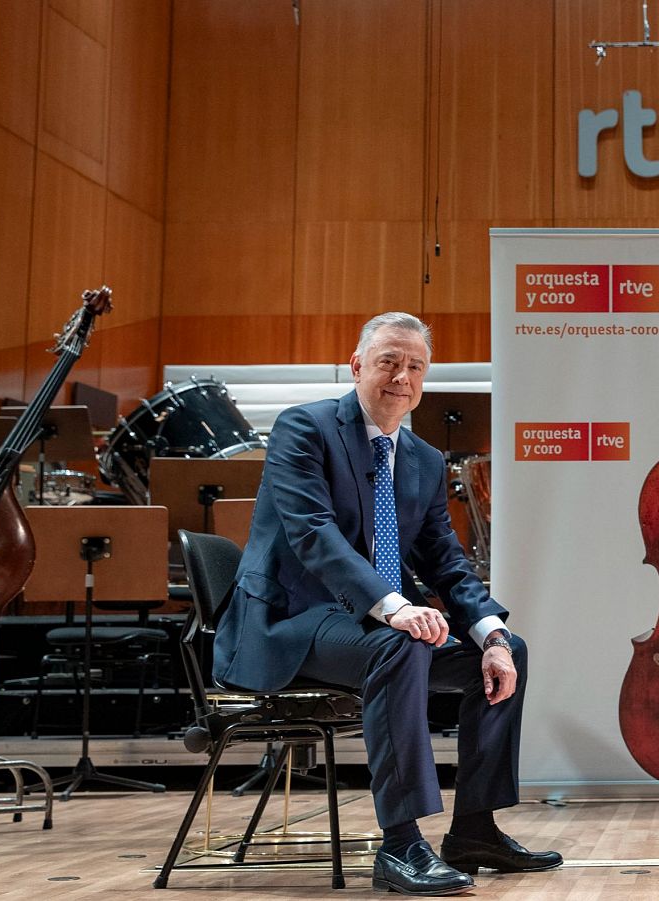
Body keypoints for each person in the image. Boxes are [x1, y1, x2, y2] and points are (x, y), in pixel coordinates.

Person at [214, 312, 561, 895]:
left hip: (367, 627)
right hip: (292, 622)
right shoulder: (304, 428)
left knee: (505, 654)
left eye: (415, 366)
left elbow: (446, 560)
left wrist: (489, 634)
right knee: (399, 645)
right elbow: (313, 535)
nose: (402, 376)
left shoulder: (422, 459)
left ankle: (474, 828)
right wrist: (394, 606)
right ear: (357, 367)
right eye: (388, 362)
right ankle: (400, 845)